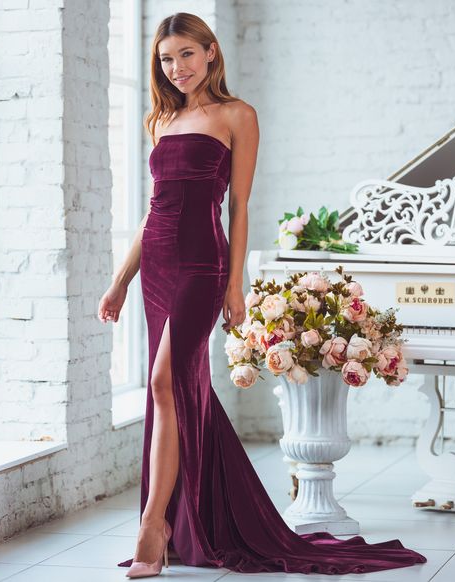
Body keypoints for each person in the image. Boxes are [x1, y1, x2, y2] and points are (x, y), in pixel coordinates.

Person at [98, 12, 426, 579]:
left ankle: (154, 522)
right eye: (166, 59)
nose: (176, 68)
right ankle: (188, 516)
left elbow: (240, 206)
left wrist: (235, 283)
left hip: (203, 263)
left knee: (163, 382)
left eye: (186, 55)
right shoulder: (161, 121)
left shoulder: (237, 116)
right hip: (155, 263)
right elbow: (153, 211)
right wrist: (120, 280)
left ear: (211, 52)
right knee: (178, 392)